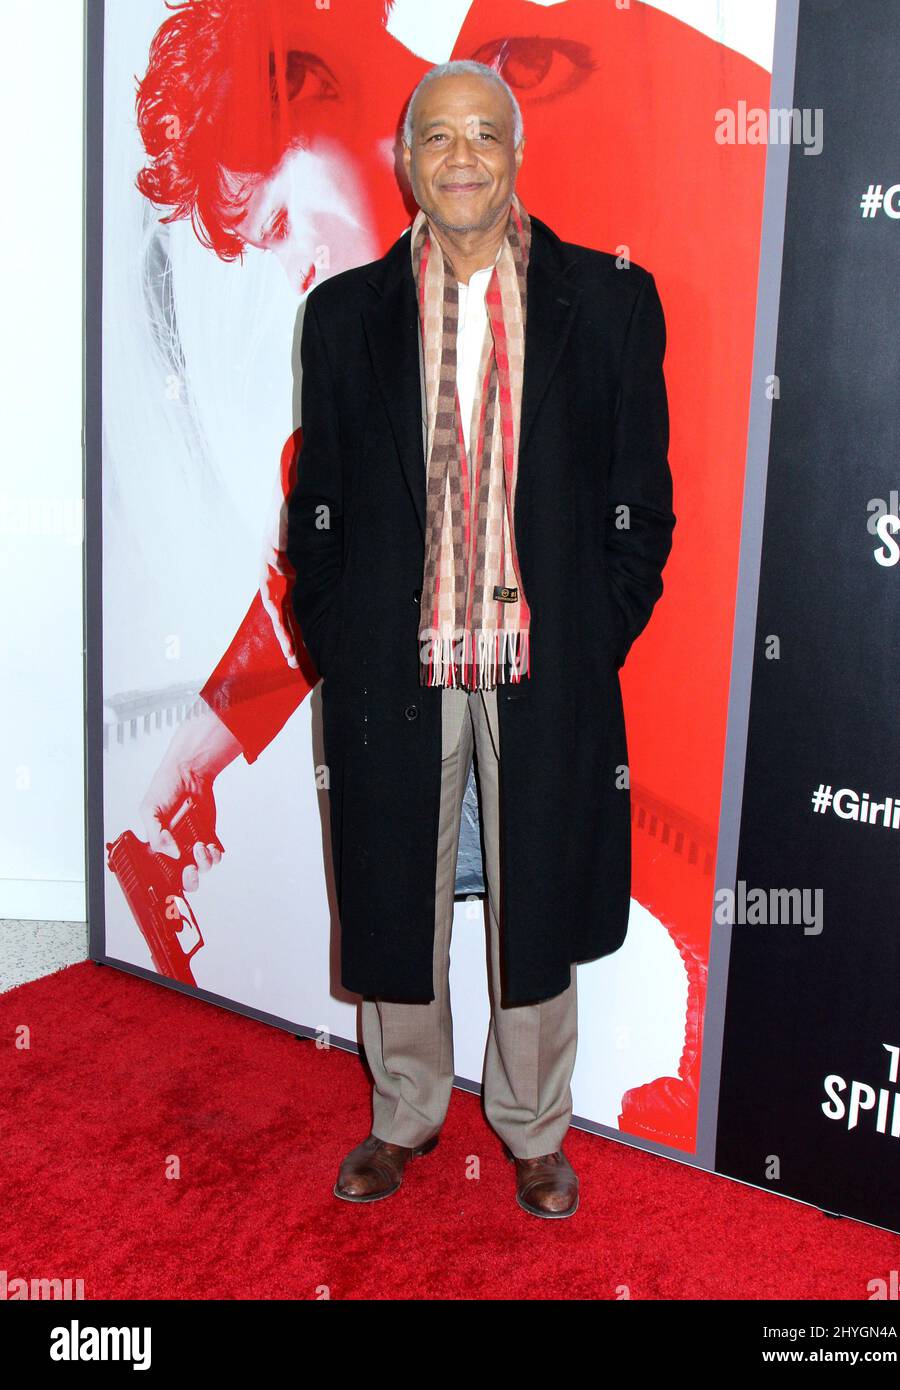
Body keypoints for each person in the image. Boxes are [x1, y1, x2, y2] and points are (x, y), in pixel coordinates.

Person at [286, 59, 675, 1218]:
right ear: (405, 163)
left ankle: (534, 1128)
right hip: (390, 661)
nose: (461, 157)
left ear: (516, 156)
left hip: (538, 668)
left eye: (483, 136)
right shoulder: (346, 313)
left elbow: (638, 503)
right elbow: (321, 503)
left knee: (536, 890)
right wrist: (335, 631)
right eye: (437, 138)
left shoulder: (604, 301)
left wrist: (591, 637)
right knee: (392, 884)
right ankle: (400, 1113)